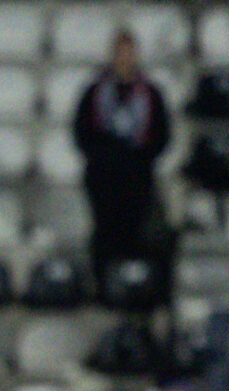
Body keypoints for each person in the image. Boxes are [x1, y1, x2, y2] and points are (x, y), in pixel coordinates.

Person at [71, 31, 171, 279]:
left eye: (129, 53)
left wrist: (141, 158)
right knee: (105, 232)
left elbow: (162, 134)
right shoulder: (95, 91)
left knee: (134, 232)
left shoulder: (150, 93)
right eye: (120, 53)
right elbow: (81, 131)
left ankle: (132, 286)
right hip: (103, 175)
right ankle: (102, 283)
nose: (125, 59)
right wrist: (102, 156)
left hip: (137, 175)